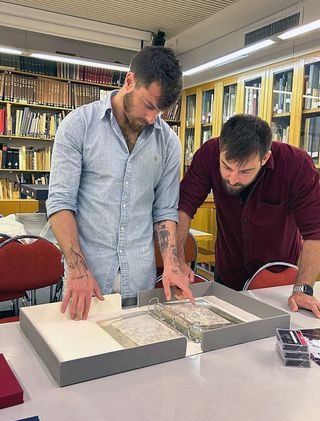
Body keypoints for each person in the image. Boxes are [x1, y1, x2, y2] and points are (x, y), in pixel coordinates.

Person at [47, 46, 194, 321]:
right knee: (82, 359)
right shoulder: (78, 126)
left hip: (140, 283)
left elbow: (164, 212)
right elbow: (60, 203)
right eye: (149, 106)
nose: (152, 119)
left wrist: (172, 264)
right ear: (129, 81)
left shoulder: (169, 143)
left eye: (160, 111)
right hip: (86, 282)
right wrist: (78, 270)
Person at [177, 114, 320, 318]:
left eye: (245, 171)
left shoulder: (296, 165)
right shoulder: (209, 153)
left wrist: (303, 289)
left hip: (278, 282)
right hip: (228, 275)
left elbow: (314, 233)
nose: (233, 179)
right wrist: (178, 261)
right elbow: (183, 208)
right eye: (226, 166)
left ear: (265, 158)